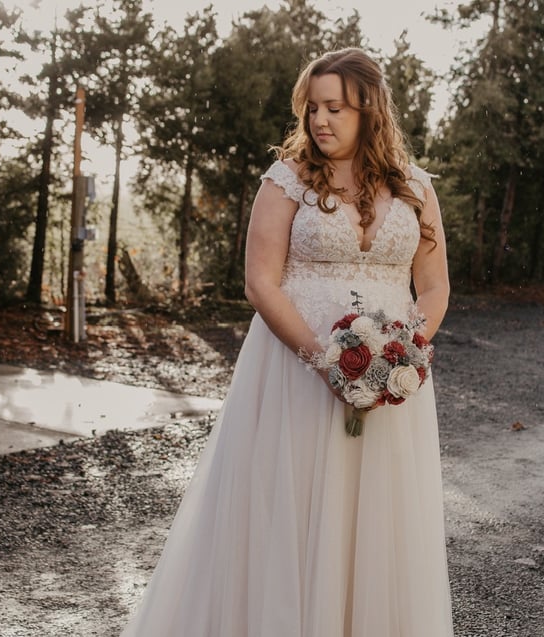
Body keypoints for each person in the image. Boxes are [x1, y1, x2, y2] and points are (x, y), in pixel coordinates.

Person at [120, 47, 453, 636]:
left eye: (335, 108)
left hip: (391, 386)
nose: (320, 120)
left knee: (379, 518)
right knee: (291, 509)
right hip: (295, 377)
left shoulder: (416, 187)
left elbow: (433, 287)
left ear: (370, 110)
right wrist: (324, 362)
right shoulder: (286, 181)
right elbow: (260, 283)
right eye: (313, 108)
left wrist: (400, 353)